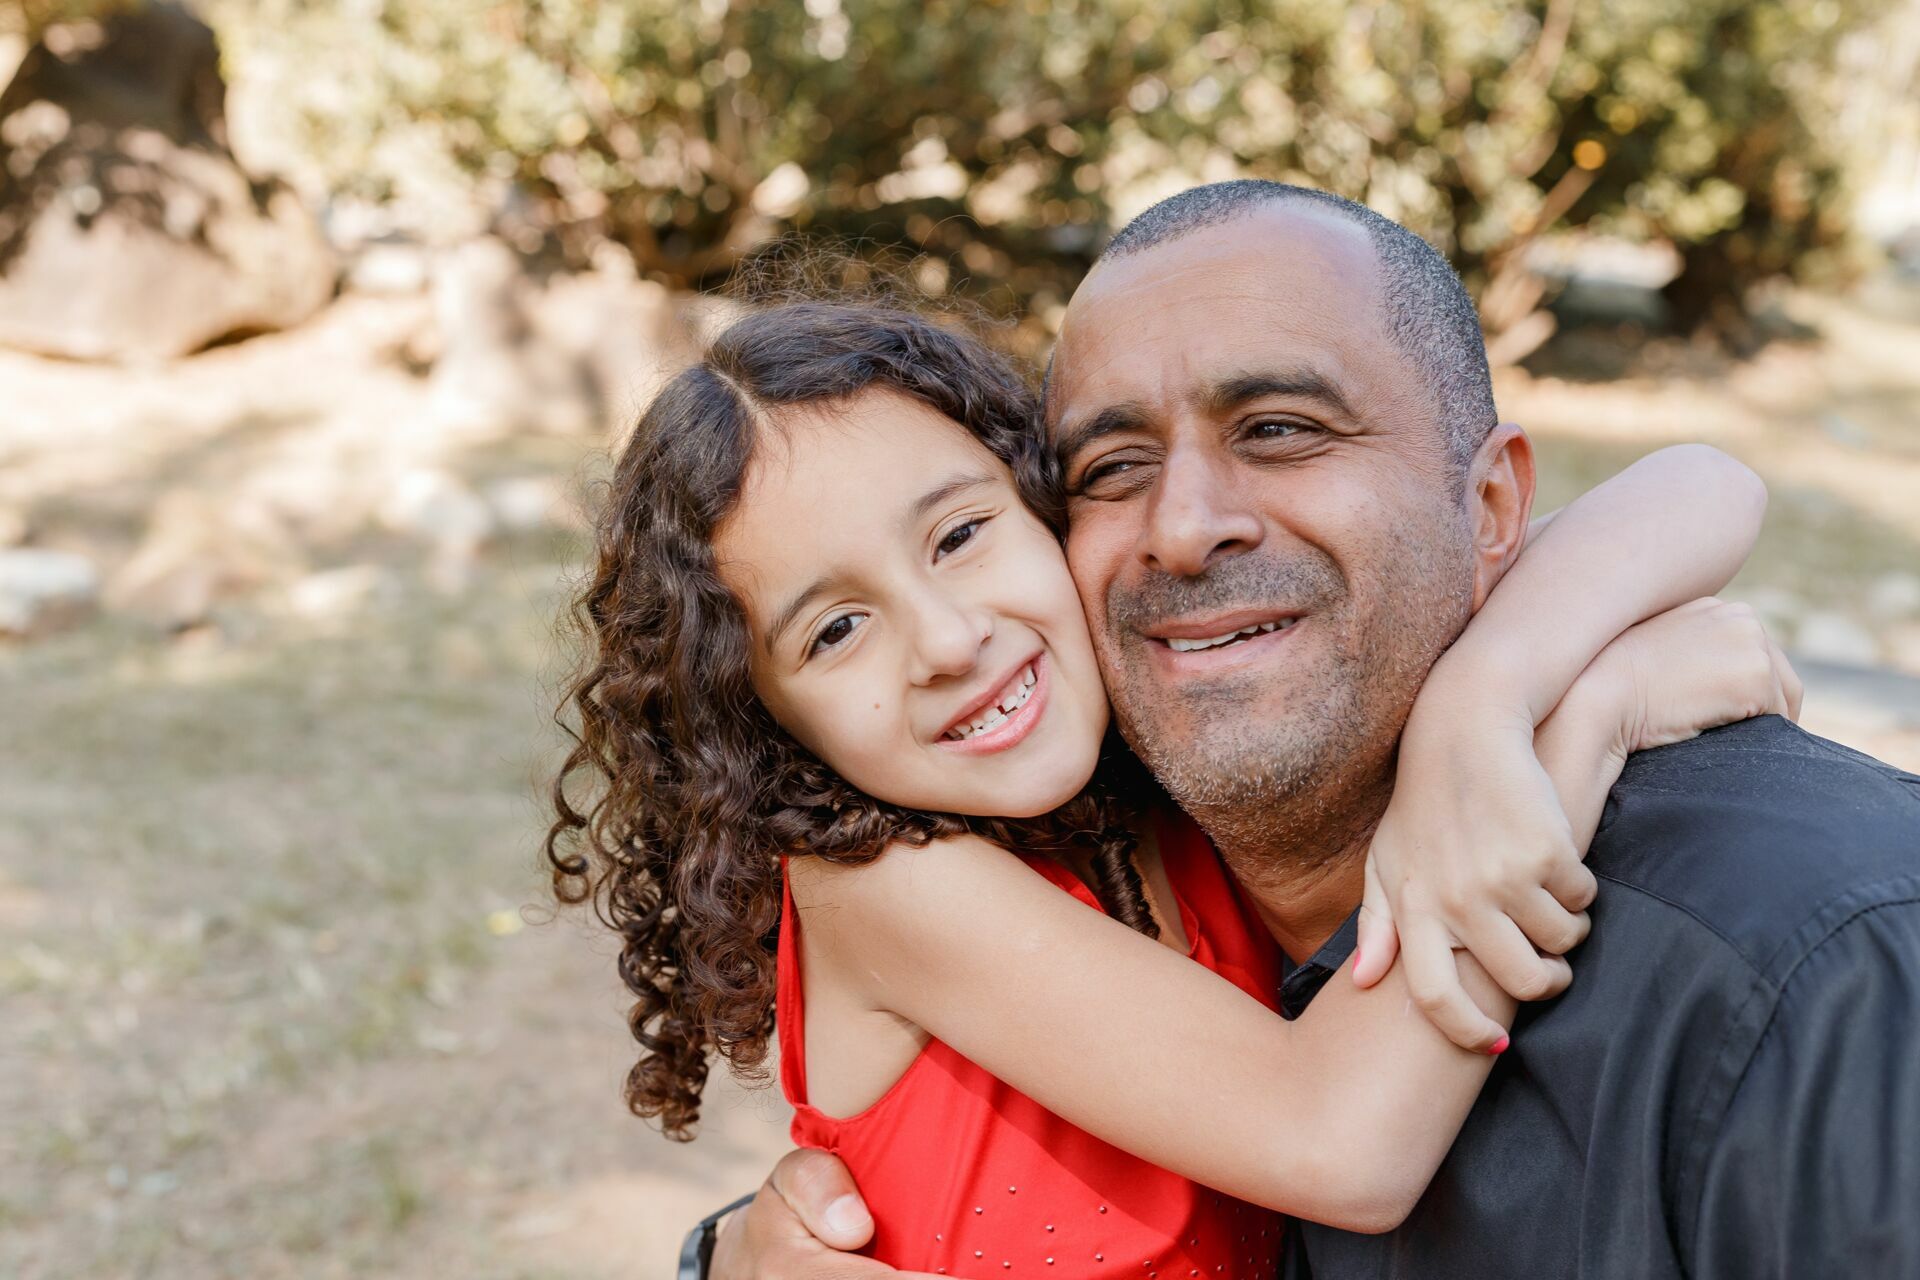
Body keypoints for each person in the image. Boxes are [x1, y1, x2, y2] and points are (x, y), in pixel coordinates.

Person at [707, 182, 1920, 1280]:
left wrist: (1488, 703)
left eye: (1280, 428)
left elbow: (1704, 481)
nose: (1181, 529)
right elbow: (1332, 1139)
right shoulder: (1035, 826)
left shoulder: (1811, 972)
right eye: (1115, 466)